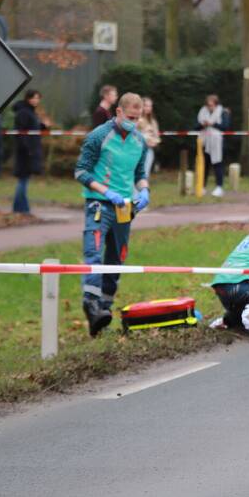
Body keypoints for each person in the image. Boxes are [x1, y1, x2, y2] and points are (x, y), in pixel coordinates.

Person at [74, 92, 150, 336]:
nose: (133, 122)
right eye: (130, 117)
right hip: (99, 204)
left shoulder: (140, 141)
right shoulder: (99, 136)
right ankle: (92, 305)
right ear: (118, 112)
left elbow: (139, 174)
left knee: (117, 258)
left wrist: (145, 190)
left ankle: (105, 309)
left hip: (124, 207)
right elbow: (81, 172)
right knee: (93, 253)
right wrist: (106, 192)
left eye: (137, 118)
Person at [12, 89, 48, 214]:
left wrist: (43, 125)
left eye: (38, 98)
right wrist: (28, 150)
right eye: (34, 98)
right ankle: (21, 208)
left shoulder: (31, 112)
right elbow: (21, 133)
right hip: (26, 153)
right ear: (28, 98)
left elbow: (33, 128)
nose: (36, 100)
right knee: (23, 180)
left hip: (31, 152)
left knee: (24, 180)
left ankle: (21, 208)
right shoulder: (23, 112)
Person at [197, 94, 226, 197]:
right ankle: (202, 186)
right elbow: (196, 126)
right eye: (208, 105)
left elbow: (225, 126)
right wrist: (203, 125)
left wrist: (212, 124)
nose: (210, 107)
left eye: (212, 105)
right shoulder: (202, 112)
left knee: (217, 164)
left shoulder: (222, 112)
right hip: (205, 141)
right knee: (205, 164)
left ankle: (219, 187)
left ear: (216, 104)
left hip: (217, 142)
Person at [138, 96, 161, 177]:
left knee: (145, 174)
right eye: (146, 105)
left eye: (150, 106)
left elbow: (157, 138)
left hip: (149, 151)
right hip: (137, 150)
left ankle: (144, 189)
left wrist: (154, 142)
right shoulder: (136, 120)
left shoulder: (153, 121)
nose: (148, 108)